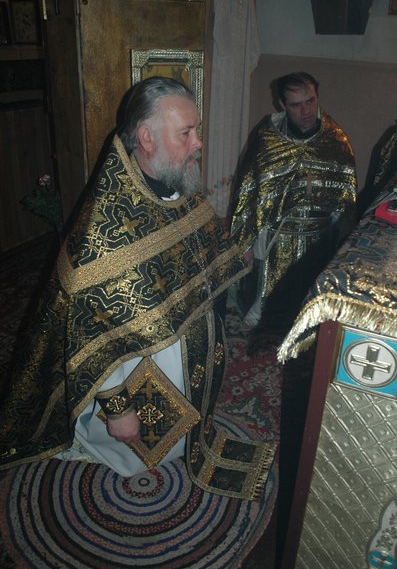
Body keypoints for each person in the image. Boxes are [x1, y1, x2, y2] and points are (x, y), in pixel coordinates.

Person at [0, 77, 275, 500]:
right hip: (135, 380)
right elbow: (91, 335)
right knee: (138, 453)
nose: (199, 143)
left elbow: (204, 246)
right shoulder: (103, 234)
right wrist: (118, 410)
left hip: (186, 363)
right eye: (187, 133)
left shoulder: (177, 187)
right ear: (146, 138)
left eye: (197, 130)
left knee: (180, 436)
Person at [228, 71, 357, 330]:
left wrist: (344, 242)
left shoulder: (335, 139)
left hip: (318, 238)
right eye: (296, 105)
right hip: (278, 237)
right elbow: (249, 192)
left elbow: (346, 196)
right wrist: (245, 244)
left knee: (310, 307)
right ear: (282, 105)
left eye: (310, 101)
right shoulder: (268, 139)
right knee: (269, 311)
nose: (306, 111)